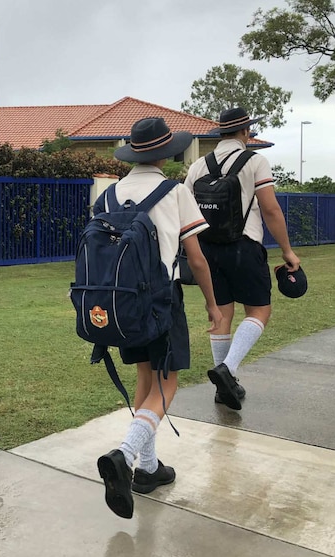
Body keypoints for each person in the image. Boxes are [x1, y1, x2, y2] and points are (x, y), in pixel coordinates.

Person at [96, 117, 222, 519]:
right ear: (166, 154)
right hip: (163, 298)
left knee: (146, 378)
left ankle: (148, 471)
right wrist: (213, 305)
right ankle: (126, 453)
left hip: (123, 302)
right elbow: (197, 258)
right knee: (169, 382)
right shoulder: (175, 191)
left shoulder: (109, 194)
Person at [184, 108, 301, 410]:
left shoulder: (198, 166)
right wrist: (287, 250)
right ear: (246, 133)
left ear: (220, 133)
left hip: (208, 251)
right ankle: (228, 369)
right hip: (244, 247)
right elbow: (271, 209)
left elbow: (185, 212)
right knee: (259, 311)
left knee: (221, 316)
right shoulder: (255, 161)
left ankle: (224, 390)